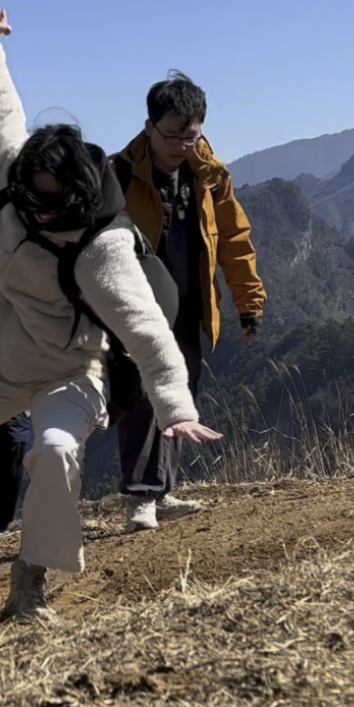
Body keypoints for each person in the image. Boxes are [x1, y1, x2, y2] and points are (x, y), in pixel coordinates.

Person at [0, 6, 222, 621]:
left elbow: (147, 330)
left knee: (57, 449)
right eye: (27, 199)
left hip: (71, 373)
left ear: (78, 198)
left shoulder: (103, 247)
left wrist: (176, 407)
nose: (33, 214)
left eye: (49, 206)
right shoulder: (12, 180)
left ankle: (31, 578)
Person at [112, 72, 266, 533]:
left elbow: (236, 239)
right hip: (138, 305)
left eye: (191, 135)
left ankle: (165, 490)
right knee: (141, 394)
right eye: (172, 135)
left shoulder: (211, 176)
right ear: (149, 126)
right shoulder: (119, 174)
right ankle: (141, 496)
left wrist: (249, 301)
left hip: (192, 303)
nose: (181, 145)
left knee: (181, 392)